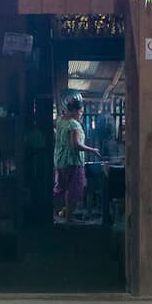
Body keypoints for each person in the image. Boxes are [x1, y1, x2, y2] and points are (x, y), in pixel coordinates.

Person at [53, 94, 98, 224]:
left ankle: (58, 215)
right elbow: (76, 145)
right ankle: (69, 218)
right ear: (74, 111)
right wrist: (93, 150)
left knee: (61, 188)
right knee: (75, 190)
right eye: (80, 111)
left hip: (60, 161)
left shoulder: (61, 120)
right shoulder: (74, 125)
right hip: (72, 162)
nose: (81, 114)